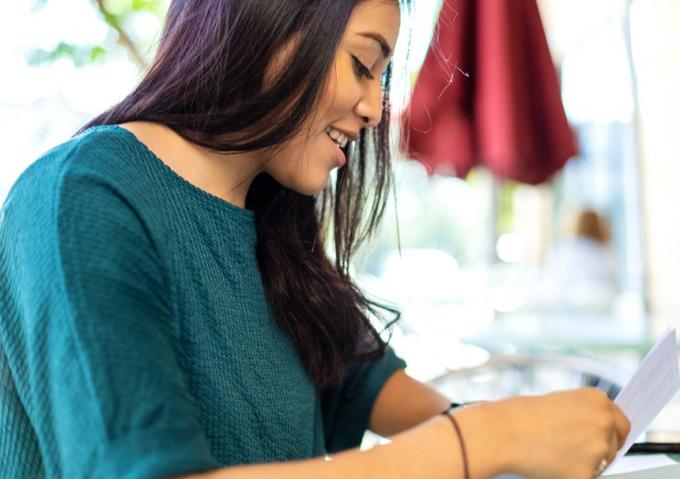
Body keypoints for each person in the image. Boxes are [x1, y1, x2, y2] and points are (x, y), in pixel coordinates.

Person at [0, 1, 629, 478]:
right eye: (363, 64)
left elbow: (366, 383)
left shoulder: (273, 227)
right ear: (272, 21)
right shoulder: (81, 198)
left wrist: (533, 433)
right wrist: (480, 443)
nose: (379, 109)